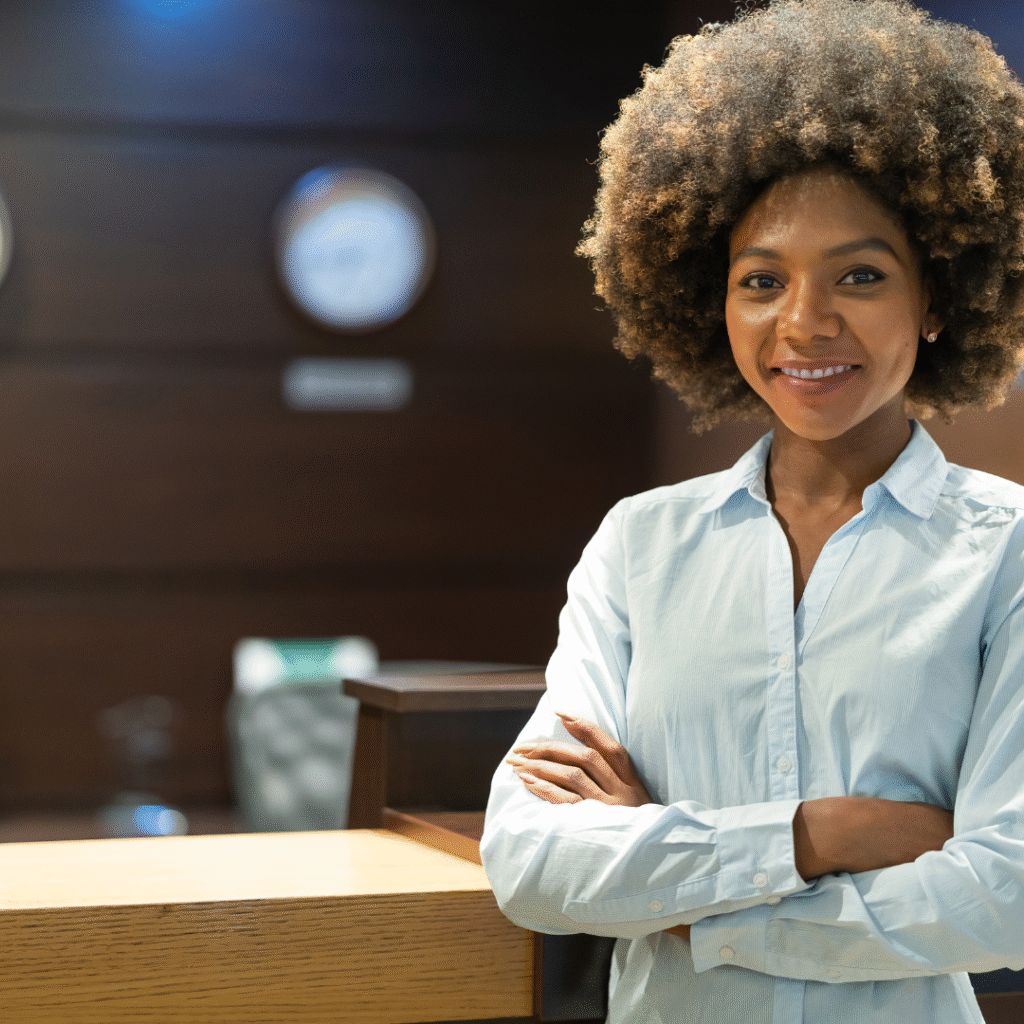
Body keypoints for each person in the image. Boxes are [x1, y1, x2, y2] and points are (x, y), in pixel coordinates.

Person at [479, 1, 1024, 1022]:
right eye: (761, 279)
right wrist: (822, 834)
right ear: (711, 300)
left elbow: (1005, 894)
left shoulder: (1009, 553)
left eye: (860, 274)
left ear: (940, 298)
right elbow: (532, 860)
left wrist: (693, 906)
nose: (804, 322)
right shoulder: (640, 545)